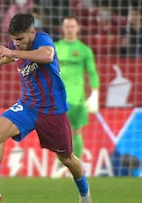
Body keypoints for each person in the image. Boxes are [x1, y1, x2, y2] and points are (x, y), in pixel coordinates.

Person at [0, 13, 92, 203]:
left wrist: (12, 53)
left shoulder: (42, 40)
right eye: (14, 41)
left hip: (52, 110)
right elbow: (5, 57)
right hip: (27, 106)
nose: (17, 44)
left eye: (20, 39)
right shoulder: (16, 46)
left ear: (32, 32)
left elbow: (47, 55)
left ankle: (85, 194)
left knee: (67, 158)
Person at [53, 16, 100, 177]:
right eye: (67, 26)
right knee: (59, 133)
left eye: (72, 26)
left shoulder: (84, 50)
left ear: (77, 28)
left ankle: (76, 166)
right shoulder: (55, 47)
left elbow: (92, 73)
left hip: (78, 98)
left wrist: (95, 94)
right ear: (63, 28)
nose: (70, 29)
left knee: (77, 131)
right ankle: (62, 166)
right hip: (58, 97)